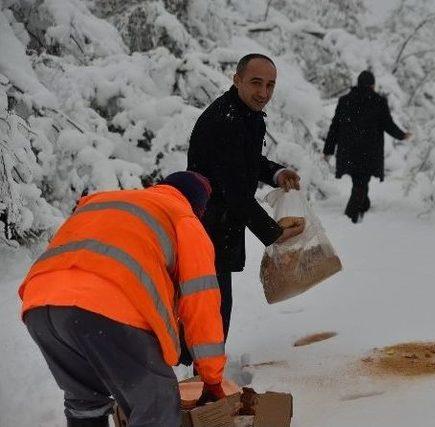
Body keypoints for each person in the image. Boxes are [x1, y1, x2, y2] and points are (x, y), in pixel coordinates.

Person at [19, 171, 226, 427]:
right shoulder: (184, 218)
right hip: (105, 307)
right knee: (156, 405)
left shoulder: (106, 200)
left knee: (85, 400)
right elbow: (201, 302)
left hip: (39, 303)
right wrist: (212, 377)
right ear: (198, 207)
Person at [188, 53, 303, 341]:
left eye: (270, 85)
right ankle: (204, 379)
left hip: (218, 225)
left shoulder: (244, 114)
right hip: (205, 227)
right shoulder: (226, 120)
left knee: (213, 307)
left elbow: (245, 162)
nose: (263, 93)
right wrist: (273, 232)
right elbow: (235, 191)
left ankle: (205, 374)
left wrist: (276, 172)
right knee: (211, 309)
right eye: (255, 83)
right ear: (236, 80)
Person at [323, 70, 412, 223]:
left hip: (349, 151)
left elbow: (335, 127)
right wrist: (402, 135)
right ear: (372, 85)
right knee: (361, 182)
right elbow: (388, 125)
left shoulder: (345, 101)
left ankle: (364, 204)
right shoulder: (378, 101)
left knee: (359, 181)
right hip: (368, 152)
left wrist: (328, 149)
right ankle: (350, 216)